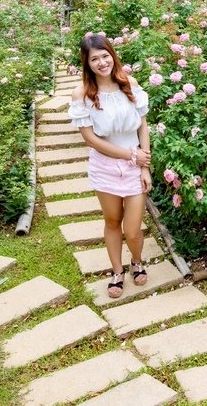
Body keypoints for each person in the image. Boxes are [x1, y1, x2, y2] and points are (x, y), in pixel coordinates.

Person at [68, 33, 152, 298]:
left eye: (105, 56)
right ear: (87, 63)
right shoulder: (82, 94)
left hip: (134, 166)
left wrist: (144, 165)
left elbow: (143, 126)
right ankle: (117, 271)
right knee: (113, 221)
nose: (102, 62)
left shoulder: (129, 83)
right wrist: (131, 155)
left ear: (112, 55)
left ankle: (136, 260)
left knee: (133, 228)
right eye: (95, 59)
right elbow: (91, 139)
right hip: (105, 166)